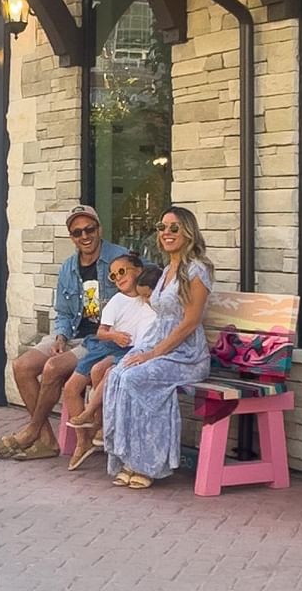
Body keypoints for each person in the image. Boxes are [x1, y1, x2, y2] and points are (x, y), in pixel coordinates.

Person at [0, 205, 128, 461]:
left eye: (89, 229)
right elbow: (62, 312)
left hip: (100, 339)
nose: (84, 236)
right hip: (72, 332)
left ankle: (31, 433)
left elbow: (147, 285)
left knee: (52, 368)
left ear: (99, 229)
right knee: (22, 366)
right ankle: (47, 440)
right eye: (77, 232)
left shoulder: (120, 258)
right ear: (71, 236)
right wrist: (60, 336)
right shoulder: (68, 268)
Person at [102, 206, 214, 489]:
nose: (166, 233)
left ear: (188, 232)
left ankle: (148, 463)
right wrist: (145, 351)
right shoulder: (166, 270)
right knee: (118, 374)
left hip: (186, 355)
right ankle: (128, 456)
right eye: (161, 227)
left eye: (174, 228)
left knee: (137, 378)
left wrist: (152, 354)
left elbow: (189, 323)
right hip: (160, 346)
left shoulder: (197, 270)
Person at [61, 257, 160, 471]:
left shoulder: (149, 299)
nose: (118, 278)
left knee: (99, 371)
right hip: (106, 346)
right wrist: (114, 335)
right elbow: (101, 332)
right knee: (70, 388)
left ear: (138, 270)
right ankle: (83, 440)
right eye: (113, 276)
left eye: (122, 271)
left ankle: (99, 426)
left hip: (127, 351)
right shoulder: (117, 300)